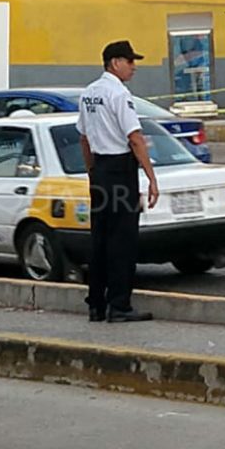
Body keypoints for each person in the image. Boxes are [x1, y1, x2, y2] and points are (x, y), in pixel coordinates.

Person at [76, 40, 160, 323]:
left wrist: (91, 171)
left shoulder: (88, 93)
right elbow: (135, 138)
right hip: (121, 172)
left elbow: (84, 138)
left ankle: (96, 303)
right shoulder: (118, 94)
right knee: (123, 241)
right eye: (129, 61)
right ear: (114, 63)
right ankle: (120, 305)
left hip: (100, 171)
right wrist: (151, 177)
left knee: (99, 239)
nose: (134, 66)